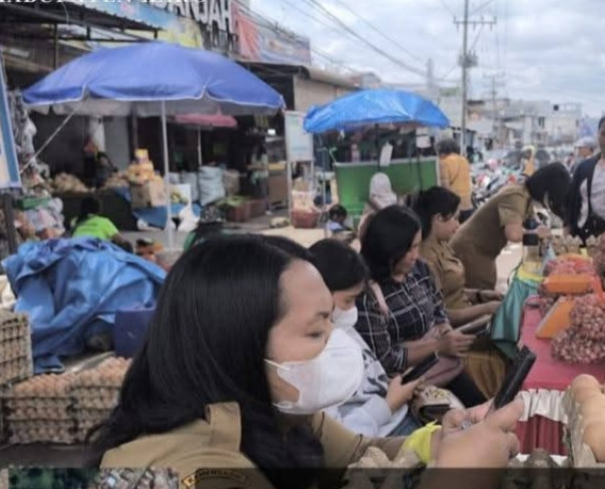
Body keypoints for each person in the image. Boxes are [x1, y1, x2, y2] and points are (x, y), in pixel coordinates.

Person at [91, 235, 523, 489]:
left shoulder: (279, 410)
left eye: (333, 321)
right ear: (240, 343)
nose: (335, 344)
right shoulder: (176, 471)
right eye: (316, 332)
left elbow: (357, 453)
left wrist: (439, 443)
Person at [357, 206, 486, 407]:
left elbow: (437, 306)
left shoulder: (419, 269)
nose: (416, 255)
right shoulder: (367, 294)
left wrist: (445, 329)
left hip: (442, 365)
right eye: (409, 249)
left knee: (482, 408)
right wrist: (438, 346)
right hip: (406, 386)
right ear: (389, 249)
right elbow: (386, 359)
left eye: (417, 246)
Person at [309, 239, 424, 438]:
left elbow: (367, 377)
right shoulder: (317, 354)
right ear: (320, 294)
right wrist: (388, 405)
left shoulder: (342, 329)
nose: (353, 309)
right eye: (348, 300)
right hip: (382, 434)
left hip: (397, 416)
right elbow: (339, 440)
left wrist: (391, 385)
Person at [450, 163, 572, 291]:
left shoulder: (524, 194)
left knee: (487, 289)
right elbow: (514, 234)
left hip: (483, 252)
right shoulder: (516, 196)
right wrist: (537, 233)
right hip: (470, 251)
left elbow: (530, 224)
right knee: (482, 294)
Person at [409, 187, 500, 325]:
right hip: (458, 327)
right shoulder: (426, 259)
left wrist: (479, 295)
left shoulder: (442, 244)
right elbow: (439, 315)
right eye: (455, 218)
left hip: (468, 313)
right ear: (438, 218)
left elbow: (452, 291)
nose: (458, 225)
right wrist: (486, 308)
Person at [436, 140, 475, 223]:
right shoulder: (464, 161)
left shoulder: (444, 163)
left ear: (443, 151)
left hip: (455, 208)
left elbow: (445, 188)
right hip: (468, 206)